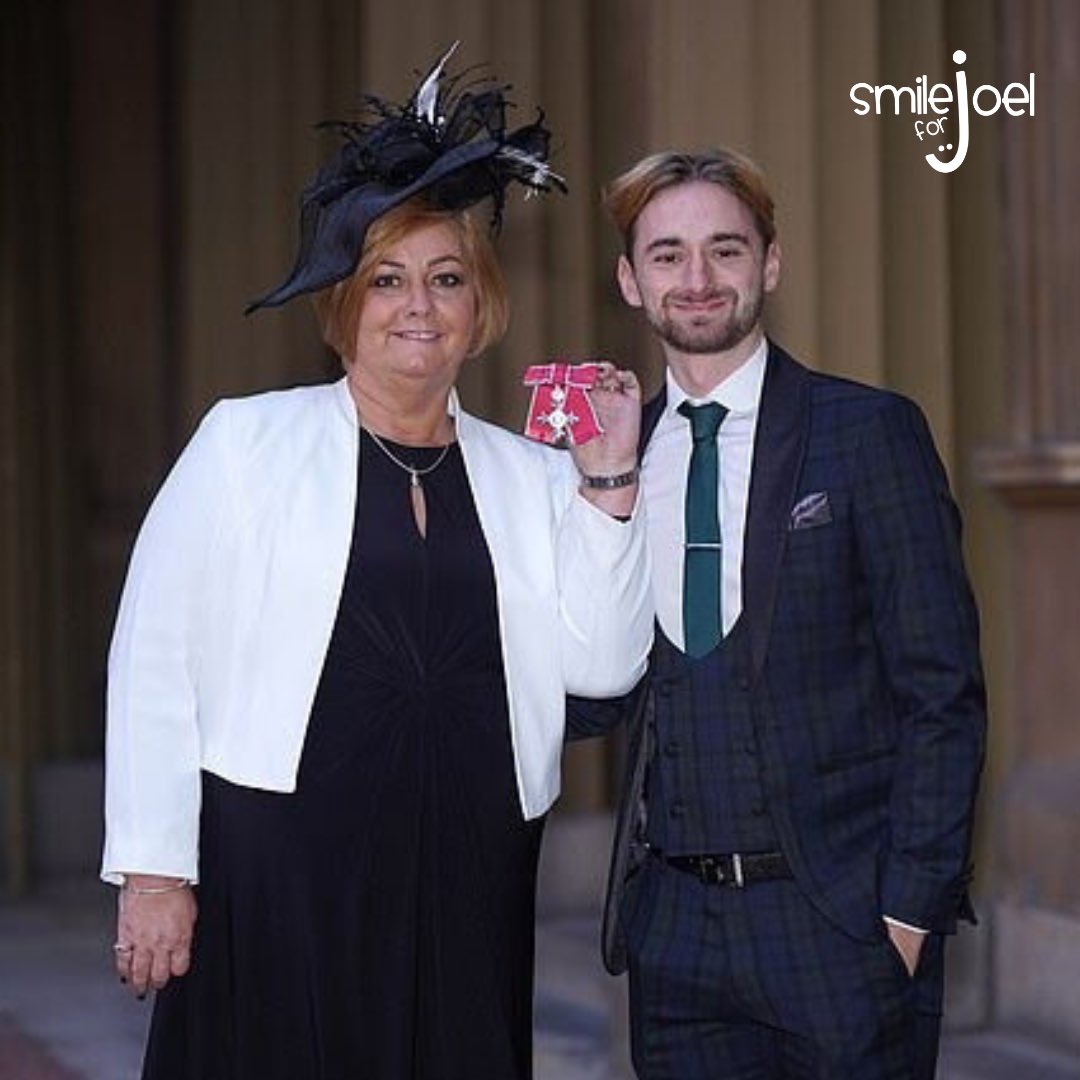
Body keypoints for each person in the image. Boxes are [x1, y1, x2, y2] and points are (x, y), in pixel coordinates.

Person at [101, 47, 652, 1080]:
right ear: (341, 302)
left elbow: (607, 665)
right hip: (281, 858)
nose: (419, 306)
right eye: (386, 279)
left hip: (469, 863)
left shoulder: (533, 475)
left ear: (480, 306)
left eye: (446, 279)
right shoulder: (242, 444)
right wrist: (154, 869)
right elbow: (154, 659)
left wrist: (611, 486)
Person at [568, 148, 986, 1079]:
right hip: (672, 932)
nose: (700, 278)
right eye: (668, 255)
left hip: (839, 924)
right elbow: (587, 691)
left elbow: (941, 690)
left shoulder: (870, 433)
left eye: (726, 249)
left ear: (770, 265)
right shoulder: (607, 456)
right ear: (631, 282)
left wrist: (909, 913)